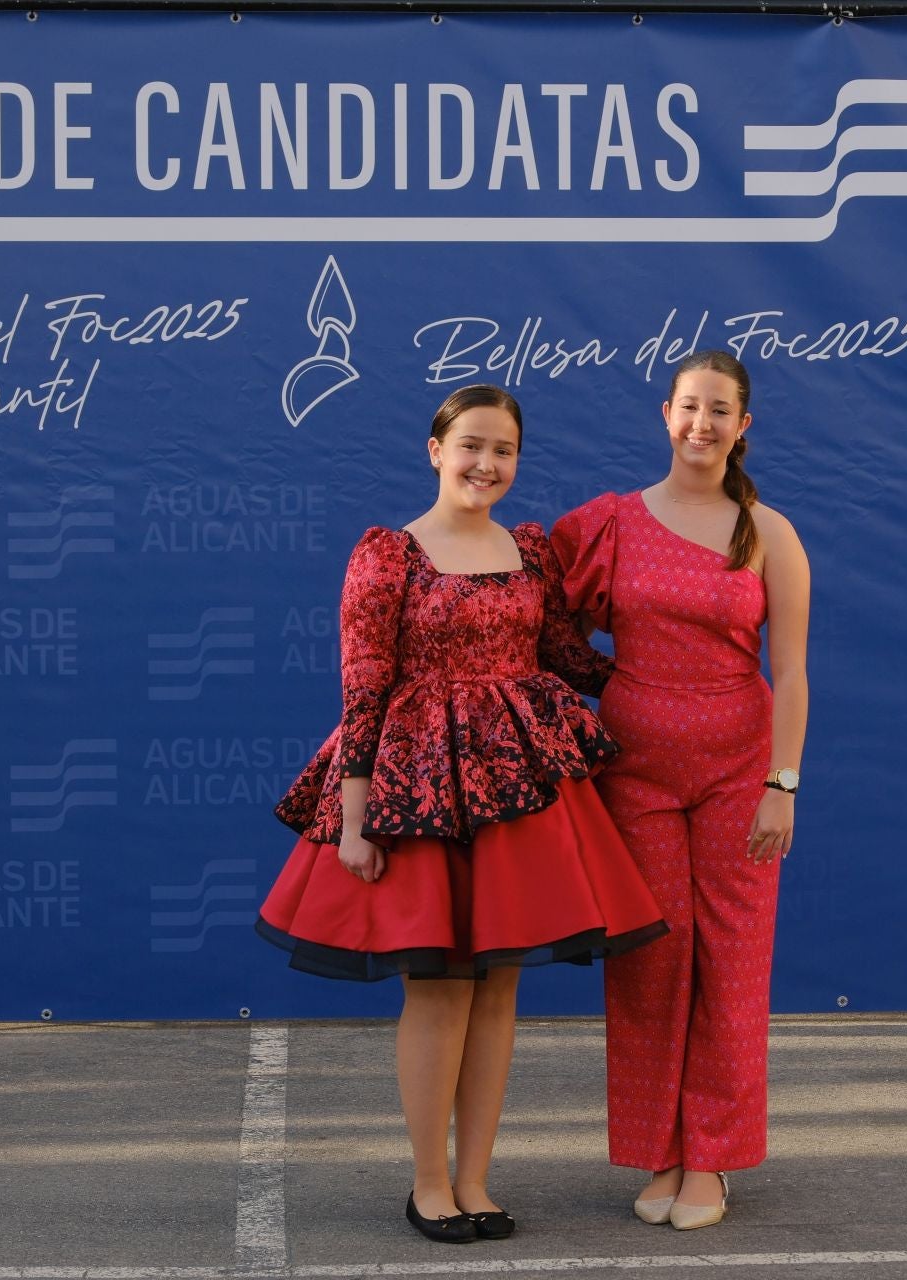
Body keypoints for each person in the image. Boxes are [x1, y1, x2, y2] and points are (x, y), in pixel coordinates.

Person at [257, 384, 668, 1245]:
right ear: (435, 450)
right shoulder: (388, 554)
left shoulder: (530, 551)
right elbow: (363, 685)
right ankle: (429, 1185)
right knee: (440, 988)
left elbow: (567, 658)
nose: (487, 464)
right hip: (419, 793)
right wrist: (356, 820)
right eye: (472, 445)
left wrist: (678, 672)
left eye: (504, 450)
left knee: (500, 989)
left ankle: (476, 1179)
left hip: (518, 792)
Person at [550, 350, 810, 1231]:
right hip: (635, 774)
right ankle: (659, 1150)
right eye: (690, 406)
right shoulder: (611, 523)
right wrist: (607, 687)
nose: (703, 423)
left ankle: (712, 1160)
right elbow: (538, 611)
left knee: (732, 964)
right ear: (666, 414)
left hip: (741, 774)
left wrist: (782, 785)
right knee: (650, 962)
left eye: (720, 410)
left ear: (743, 425)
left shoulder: (769, 532)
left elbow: (792, 673)